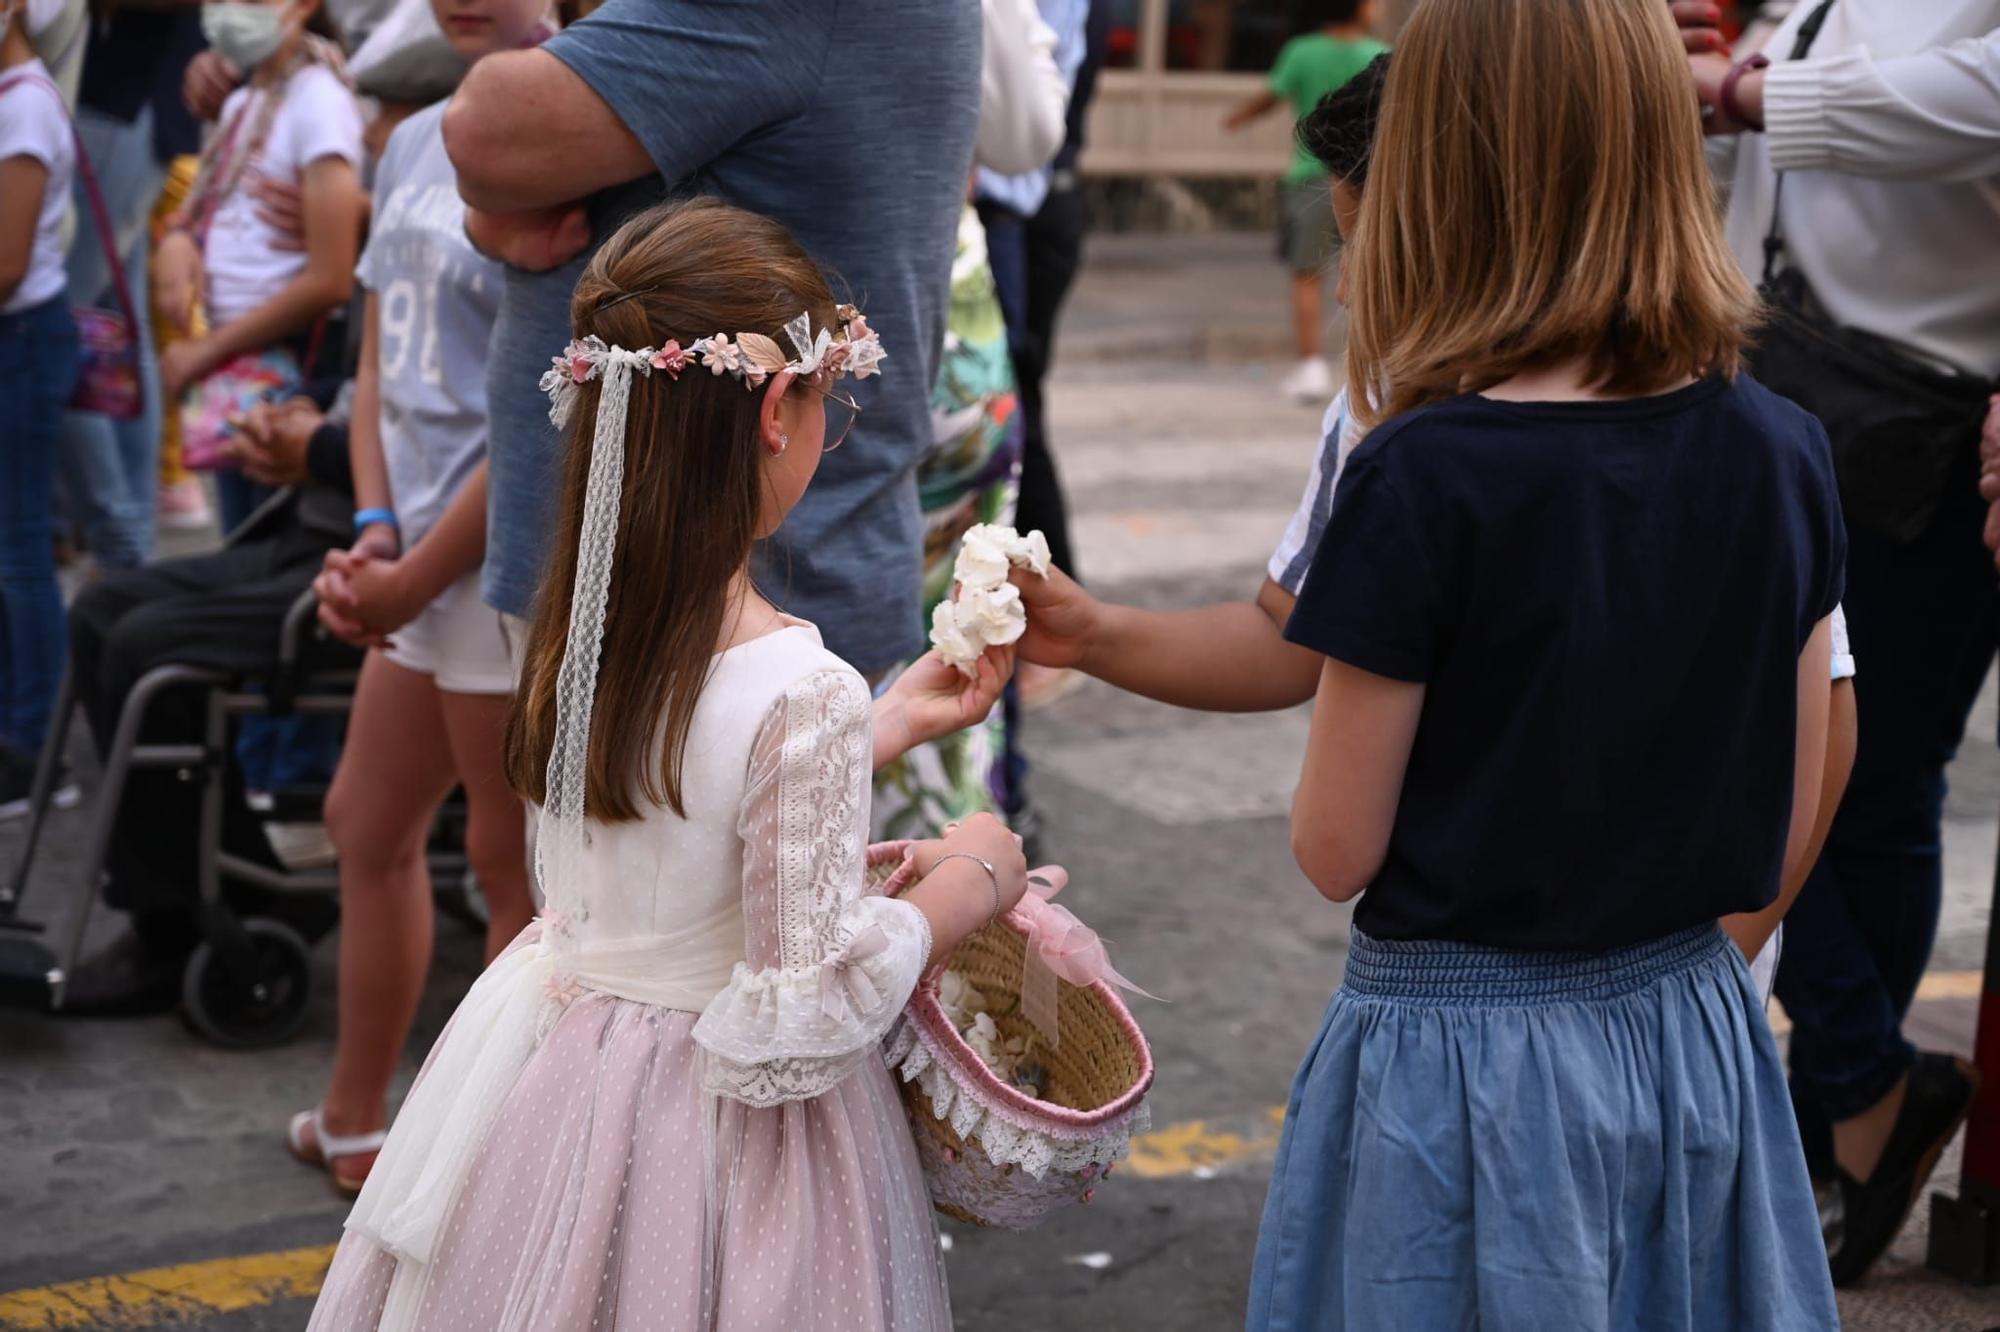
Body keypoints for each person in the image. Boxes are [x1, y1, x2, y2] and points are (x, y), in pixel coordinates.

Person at [308, 198, 1024, 1331]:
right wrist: (968, 885)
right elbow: (798, 1016)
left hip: (555, 1078)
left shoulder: (577, 629)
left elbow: (676, 788)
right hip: (715, 1139)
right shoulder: (798, 685)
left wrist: (871, 729)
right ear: (778, 410)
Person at [1243, 0, 1844, 1324]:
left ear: (1437, 174)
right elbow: (1800, 788)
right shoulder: (1782, 448)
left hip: (1466, 1068)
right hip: (1697, 1030)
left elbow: (1336, 845)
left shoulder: (1422, 471)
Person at [1691, 0, 2000, 1284]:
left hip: (1919, 422)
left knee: (1858, 787)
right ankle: (1857, 1098)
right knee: (1769, 763)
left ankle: (1847, 1111)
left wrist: (1755, 95)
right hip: (1772, 389)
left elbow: (1976, 98)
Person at [440, 0, 980, 681]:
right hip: (712, 578)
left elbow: (485, 130)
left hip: (706, 594)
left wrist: (490, 205)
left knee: (655, 790)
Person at [279, 0, 545, 1196]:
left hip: (498, 569)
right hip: (412, 557)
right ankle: (357, 1119)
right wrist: (376, 530)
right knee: (364, 824)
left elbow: (551, 411)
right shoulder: (414, 137)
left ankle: (489, 1165)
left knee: (509, 870)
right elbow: (380, 365)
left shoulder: (582, 136)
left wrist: (413, 570)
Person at [51, 389, 354, 1013]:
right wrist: (291, 421)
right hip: (311, 526)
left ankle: (171, 922)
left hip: (372, 552)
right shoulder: (389, 295)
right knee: (99, 610)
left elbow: (444, 456)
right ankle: (225, 887)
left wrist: (320, 447)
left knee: (144, 646)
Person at [874, 0, 1068, 840]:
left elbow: (1025, 134)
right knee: (955, 621)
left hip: (894, 295)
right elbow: (1026, 131)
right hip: (931, 282)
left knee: (962, 615)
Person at [151, 0, 363, 534]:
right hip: (238, 365)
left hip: (290, 370)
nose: (231, 10)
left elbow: (330, 279)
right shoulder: (243, 101)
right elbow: (207, 205)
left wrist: (205, 350)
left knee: (263, 536)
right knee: (239, 532)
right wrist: (181, 242)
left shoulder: (319, 101)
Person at [0, 0, 81, 816]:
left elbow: (8, 262)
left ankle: (36, 752)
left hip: (21, 341)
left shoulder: (24, 106)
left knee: (20, 552)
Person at [1223, 0, 1385, 406]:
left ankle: (1311, 366)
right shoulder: (1376, 55)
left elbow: (1271, 94)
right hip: (1368, 180)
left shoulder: (1302, 51)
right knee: (1371, 276)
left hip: (1311, 176)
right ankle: (1373, 366)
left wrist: (1239, 117)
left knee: (1307, 275)